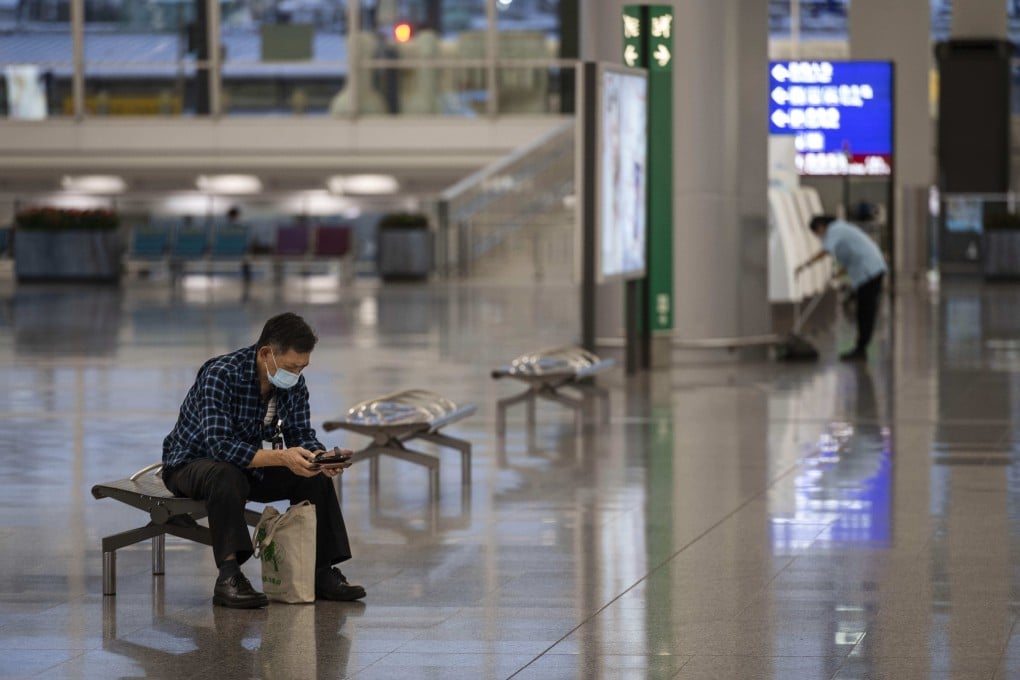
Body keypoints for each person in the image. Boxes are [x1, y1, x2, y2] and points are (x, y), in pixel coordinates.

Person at [162, 312, 365, 608]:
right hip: (190, 464)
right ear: (266, 353)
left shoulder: (291, 383)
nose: (296, 375)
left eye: (302, 367)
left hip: (244, 465)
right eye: (291, 367)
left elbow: (300, 432)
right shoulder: (221, 374)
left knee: (313, 474)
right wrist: (282, 457)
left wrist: (318, 458)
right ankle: (229, 576)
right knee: (226, 474)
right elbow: (219, 447)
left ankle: (320, 572)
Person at [796, 215, 887, 362]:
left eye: (817, 233)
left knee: (865, 312)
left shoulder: (834, 230)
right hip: (871, 270)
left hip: (870, 272)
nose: (819, 237)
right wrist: (838, 273)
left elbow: (826, 251)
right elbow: (852, 255)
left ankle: (861, 349)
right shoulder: (842, 229)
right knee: (864, 311)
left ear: (821, 227)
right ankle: (861, 348)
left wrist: (805, 265)